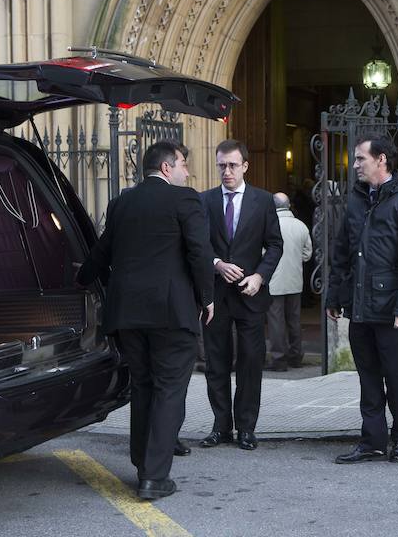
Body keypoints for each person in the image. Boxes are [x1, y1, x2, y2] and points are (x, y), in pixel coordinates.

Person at [76, 141, 215, 501]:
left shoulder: (122, 202)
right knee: (169, 389)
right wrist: (208, 298)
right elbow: (200, 252)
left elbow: (101, 253)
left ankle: (141, 462)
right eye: (183, 163)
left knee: (143, 385)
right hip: (172, 312)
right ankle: (154, 476)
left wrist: (80, 279)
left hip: (127, 314)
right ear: (167, 168)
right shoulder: (185, 199)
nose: (187, 171)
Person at [326, 137, 398, 464]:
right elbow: (341, 250)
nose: (355, 164)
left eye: (360, 159)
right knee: (368, 376)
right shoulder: (357, 199)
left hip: (391, 310)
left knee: (397, 376)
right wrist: (334, 294)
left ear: (381, 159)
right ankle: (372, 440)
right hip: (360, 307)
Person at [199, 139, 283, 452]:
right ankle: (221, 427)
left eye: (233, 165)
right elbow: (197, 245)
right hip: (216, 297)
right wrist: (217, 264)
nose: (227, 171)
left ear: (245, 166)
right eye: (221, 165)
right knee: (216, 364)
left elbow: (275, 244)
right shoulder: (204, 201)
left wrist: (260, 276)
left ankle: (246, 428)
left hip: (251, 295)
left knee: (250, 363)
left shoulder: (263, 201)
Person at [266, 192, 313, 371]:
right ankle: (296, 356)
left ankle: (279, 359)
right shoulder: (300, 225)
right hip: (295, 280)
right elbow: (308, 254)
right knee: (294, 320)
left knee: (276, 321)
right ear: (289, 205)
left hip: (274, 281)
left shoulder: (269, 224)